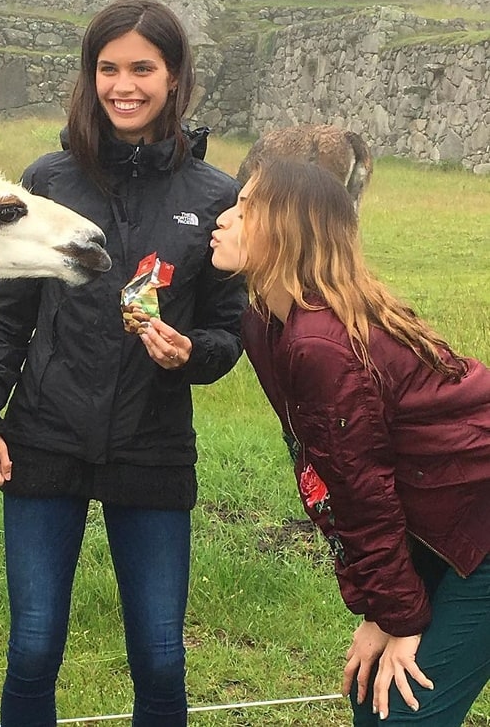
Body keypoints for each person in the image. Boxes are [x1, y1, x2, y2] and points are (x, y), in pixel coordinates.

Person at [0, 0, 245, 726]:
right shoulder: (48, 179)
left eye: (142, 68)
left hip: (151, 447)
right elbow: (8, 317)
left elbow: (227, 330)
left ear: (175, 76)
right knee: (31, 648)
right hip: (43, 438)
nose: (124, 85)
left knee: (159, 656)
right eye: (108, 68)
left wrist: (191, 354)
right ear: (90, 77)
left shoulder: (215, 196)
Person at [210, 157, 490, 726]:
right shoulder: (265, 321)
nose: (223, 217)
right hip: (442, 517)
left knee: (408, 714)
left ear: (288, 229)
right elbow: (327, 476)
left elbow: (362, 495)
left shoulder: (320, 344)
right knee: (373, 698)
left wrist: (399, 620)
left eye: (245, 209)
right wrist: (378, 610)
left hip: (478, 521)